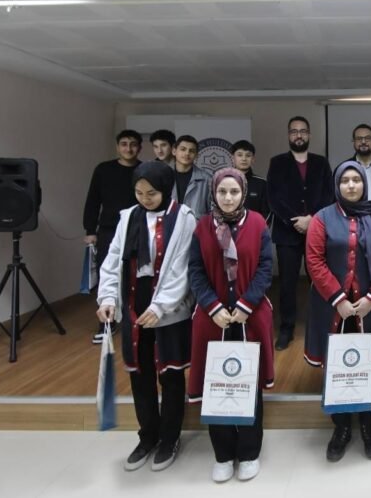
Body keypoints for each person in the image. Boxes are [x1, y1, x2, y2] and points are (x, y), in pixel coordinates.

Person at [95, 160, 197, 472]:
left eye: (151, 193)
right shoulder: (128, 217)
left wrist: (160, 306)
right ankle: (147, 436)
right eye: (139, 193)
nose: (145, 199)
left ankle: (169, 438)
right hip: (134, 302)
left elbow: (183, 267)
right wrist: (107, 297)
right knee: (140, 375)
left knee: (171, 374)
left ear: (165, 189)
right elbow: (113, 259)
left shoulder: (184, 217)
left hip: (169, 307)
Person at [304, 161, 371, 463]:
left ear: (364, 184)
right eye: (345, 180)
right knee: (338, 366)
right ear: (337, 185)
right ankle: (341, 427)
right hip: (332, 308)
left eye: (357, 180)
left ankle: (369, 426)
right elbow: (314, 261)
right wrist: (338, 299)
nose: (352, 185)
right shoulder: (322, 218)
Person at [188, 168, 274, 482]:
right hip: (213, 319)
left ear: (243, 193)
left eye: (234, 192)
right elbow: (195, 271)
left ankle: (249, 451)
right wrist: (212, 306)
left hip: (250, 316)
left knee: (248, 384)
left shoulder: (257, 223)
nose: (228, 198)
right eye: (222, 192)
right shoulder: (202, 227)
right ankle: (223, 454)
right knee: (217, 385)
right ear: (214, 193)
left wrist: (246, 304)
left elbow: (265, 267)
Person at [266, 116, 334, 350]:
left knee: (321, 281)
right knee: (287, 284)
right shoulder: (277, 163)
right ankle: (286, 329)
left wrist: (312, 219)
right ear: (289, 135)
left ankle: (323, 326)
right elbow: (274, 197)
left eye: (303, 131)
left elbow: (329, 194)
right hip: (287, 233)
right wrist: (295, 221)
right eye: (294, 131)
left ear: (309, 135)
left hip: (318, 232)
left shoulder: (321, 163)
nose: (299, 135)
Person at [84, 129, 142, 344]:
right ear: (118, 147)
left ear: (139, 148)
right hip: (108, 229)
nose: (129, 148)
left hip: (137, 230)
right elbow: (93, 200)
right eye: (124, 144)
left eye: (133, 144)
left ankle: (135, 319)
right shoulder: (103, 169)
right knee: (107, 274)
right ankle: (106, 323)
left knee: (136, 275)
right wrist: (90, 230)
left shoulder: (143, 170)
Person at [171, 134, 213, 218]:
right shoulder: (164, 176)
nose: (187, 153)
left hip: (196, 226)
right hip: (170, 225)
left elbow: (213, 211)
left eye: (192, 151)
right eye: (183, 149)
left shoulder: (207, 179)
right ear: (174, 151)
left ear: (196, 155)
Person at [230, 140, 270, 221]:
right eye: (240, 155)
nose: (244, 159)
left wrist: (257, 226)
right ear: (233, 158)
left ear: (253, 159)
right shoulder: (222, 182)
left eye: (248, 155)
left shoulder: (262, 184)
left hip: (254, 227)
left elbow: (266, 212)